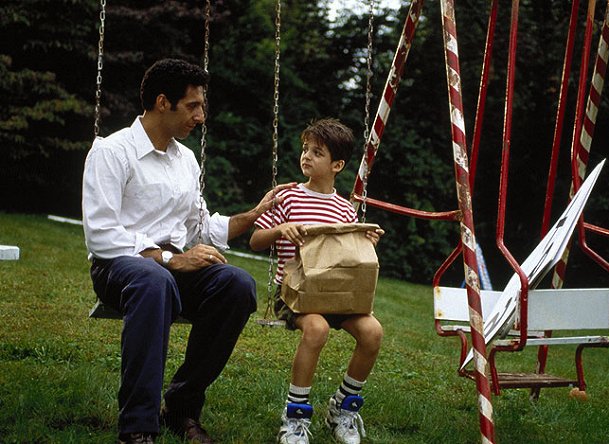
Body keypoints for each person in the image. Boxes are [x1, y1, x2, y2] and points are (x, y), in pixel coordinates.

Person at [82, 58, 295, 444]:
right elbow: (101, 234)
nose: (201, 115)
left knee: (237, 285)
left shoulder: (186, 160)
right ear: (163, 102)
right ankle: (137, 426)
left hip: (169, 271)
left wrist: (254, 214)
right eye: (193, 106)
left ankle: (181, 407)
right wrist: (168, 258)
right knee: (153, 279)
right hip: (120, 269)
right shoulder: (112, 152)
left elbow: (199, 228)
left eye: (202, 106)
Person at [249, 118, 384, 444]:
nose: (306, 156)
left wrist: (365, 241)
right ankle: (295, 416)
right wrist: (280, 230)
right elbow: (255, 241)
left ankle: (344, 408)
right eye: (306, 149)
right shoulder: (289, 198)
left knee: (372, 331)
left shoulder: (345, 210)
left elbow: (348, 254)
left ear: (337, 165)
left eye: (317, 152)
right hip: (295, 293)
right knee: (317, 328)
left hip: (335, 293)